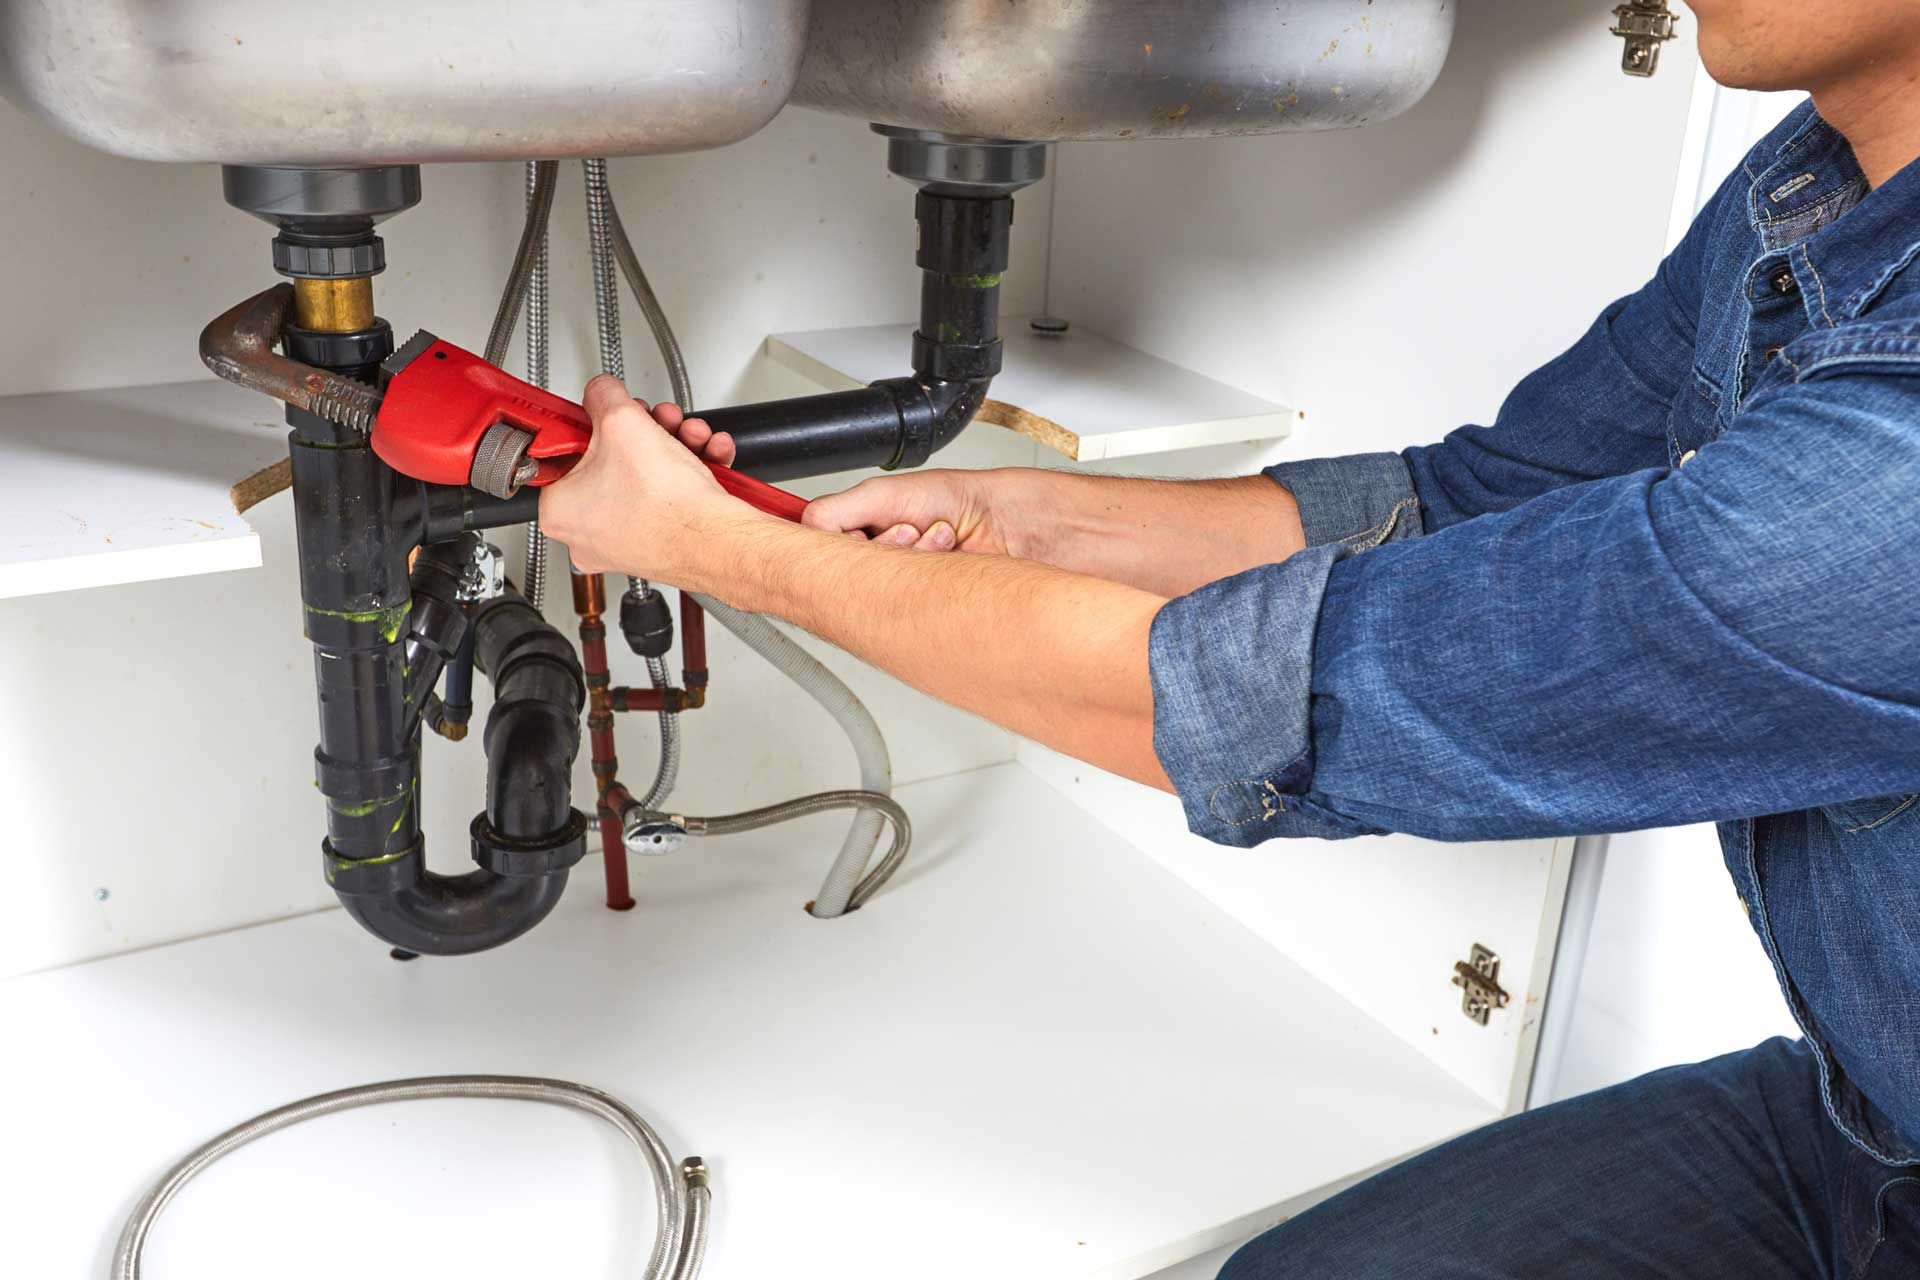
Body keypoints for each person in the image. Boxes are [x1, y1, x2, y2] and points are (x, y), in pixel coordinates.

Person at [540, 0, 1920, 1271]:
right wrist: (1023, 519)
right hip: (1858, 1123)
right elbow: (1470, 501)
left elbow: (1275, 702)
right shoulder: (1807, 189)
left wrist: (720, 555)